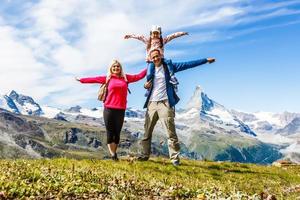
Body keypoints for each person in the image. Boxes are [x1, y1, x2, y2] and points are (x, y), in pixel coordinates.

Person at [138, 49, 215, 166]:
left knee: (170, 133)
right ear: (150, 58)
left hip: (165, 103)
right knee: (147, 132)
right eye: (153, 57)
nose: (155, 59)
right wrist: (145, 85)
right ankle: (144, 156)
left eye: (157, 56)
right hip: (152, 103)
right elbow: (146, 84)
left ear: (161, 56)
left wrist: (205, 60)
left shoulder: (169, 66)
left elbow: (188, 64)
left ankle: (175, 160)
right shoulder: (151, 68)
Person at [76, 60, 146, 161]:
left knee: (117, 133)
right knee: (110, 132)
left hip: (121, 109)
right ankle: (113, 155)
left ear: (120, 68)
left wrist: (150, 65)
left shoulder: (126, 78)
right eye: (114, 67)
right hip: (109, 108)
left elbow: (139, 76)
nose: (116, 68)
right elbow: (94, 79)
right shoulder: (108, 78)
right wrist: (81, 80)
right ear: (111, 68)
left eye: (118, 66)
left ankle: (114, 153)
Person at [124, 25, 188, 90]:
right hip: (151, 61)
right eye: (154, 33)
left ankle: (172, 78)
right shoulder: (148, 41)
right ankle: (149, 88)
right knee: (149, 73)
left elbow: (172, 36)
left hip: (161, 59)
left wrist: (182, 33)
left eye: (157, 33)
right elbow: (139, 37)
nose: (155, 35)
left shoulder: (162, 41)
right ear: (151, 34)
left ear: (159, 34)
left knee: (169, 62)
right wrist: (130, 36)